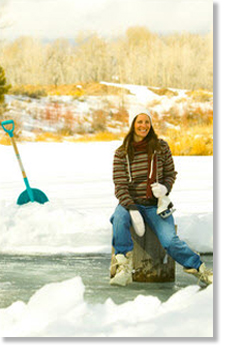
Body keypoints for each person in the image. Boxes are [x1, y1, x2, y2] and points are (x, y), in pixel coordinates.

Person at [110, 108, 213, 286]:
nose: (143, 125)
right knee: (118, 218)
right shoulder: (122, 153)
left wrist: (165, 187)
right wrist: (132, 208)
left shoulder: (161, 147)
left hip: (155, 205)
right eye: (139, 121)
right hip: (130, 202)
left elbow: (170, 173)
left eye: (147, 121)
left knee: (170, 241)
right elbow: (120, 185)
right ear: (132, 124)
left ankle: (200, 270)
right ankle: (122, 266)